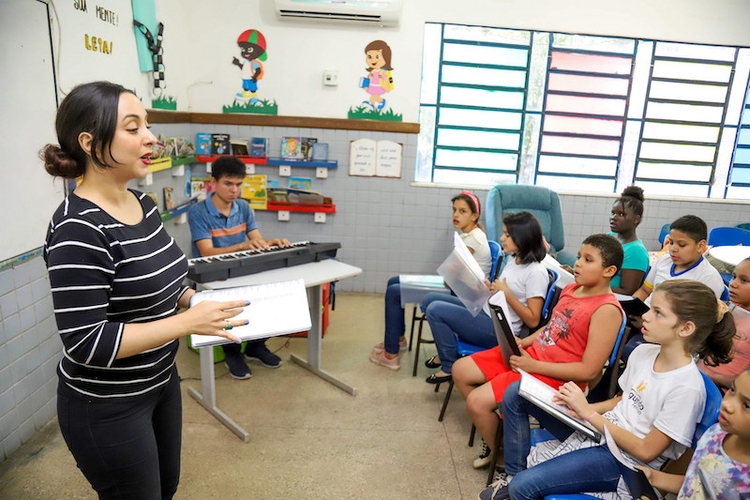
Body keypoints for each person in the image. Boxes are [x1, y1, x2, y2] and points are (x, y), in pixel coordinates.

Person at [42, 81, 249, 499]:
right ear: (89, 142)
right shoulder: (77, 229)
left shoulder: (144, 204)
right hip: (105, 405)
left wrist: (198, 302)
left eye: (147, 125)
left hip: (159, 384)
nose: (150, 137)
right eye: (133, 128)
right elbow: (87, 343)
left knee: (165, 487)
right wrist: (187, 322)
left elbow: (171, 284)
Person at [480, 279, 735, 500]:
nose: (645, 316)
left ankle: (517, 485)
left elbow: (647, 451)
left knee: (526, 487)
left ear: (685, 328)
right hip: (601, 428)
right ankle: (512, 475)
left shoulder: (687, 388)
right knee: (517, 392)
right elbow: (622, 401)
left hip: (624, 460)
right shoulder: (644, 352)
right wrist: (580, 408)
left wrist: (589, 415)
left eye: (658, 312)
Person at [453, 233, 625, 469]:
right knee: (461, 370)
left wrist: (532, 366)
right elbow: (550, 328)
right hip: (532, 357)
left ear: (609, 271)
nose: (577, 263)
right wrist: (524, 342)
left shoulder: (607, 310)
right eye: (578, 257)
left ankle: (504, 455)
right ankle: (501, 434)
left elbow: (588, 371)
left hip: (556, 378)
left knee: (476, 402)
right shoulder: (573, 289)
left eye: (588, 259)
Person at [188, 155, 291, 380]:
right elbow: (206, 252)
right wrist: (243, 245)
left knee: (270, 296)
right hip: (210, 277)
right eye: (228, 184)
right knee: (228, 306)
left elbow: (256, 238)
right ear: (213, 182)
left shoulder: (243, 207)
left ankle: (255, 345)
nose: (234, 190)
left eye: (238, 184)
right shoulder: (198, 212)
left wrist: (269, 243)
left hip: (239, 271)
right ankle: (232, 353)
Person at [421, 211, 549, 387]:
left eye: (508, 235)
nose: (502, 238)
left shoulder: (536, 272)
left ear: (523, 238)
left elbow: (533, 319)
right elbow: (503, 292)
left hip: (500, 330)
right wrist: (491, 288)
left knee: (436, 310)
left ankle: (449, 364)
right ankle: (448, 350)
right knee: (430, 299)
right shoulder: (515, 259)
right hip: (487, 311)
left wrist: (506, 294)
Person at [369, 191, 491, 370]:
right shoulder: (470, 234)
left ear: (475, 215)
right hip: (455, 286)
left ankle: (390, 353)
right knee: (393, 282)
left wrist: (441, 276)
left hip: (461, 293)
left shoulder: (473, 238)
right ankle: (397, 338)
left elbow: (450, 276)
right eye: (454, 210)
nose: (456, 215)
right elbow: (450, 273)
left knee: (395, 292)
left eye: (462, 211)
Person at [637, 368, 750, 499]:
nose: (727, 405)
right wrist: (653, 477)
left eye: (747, 405)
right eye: (732, 390)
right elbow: (696, 486)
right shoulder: (716, 433)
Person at [623, 214, 726, 358]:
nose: (673, 249)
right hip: (643, 319)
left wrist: (651, 323)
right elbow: (645, 290)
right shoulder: (664, 261)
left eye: (682, 245)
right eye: (671, 243)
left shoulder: (708, 278)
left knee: (629, 352)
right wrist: (627, 309)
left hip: (670, 334)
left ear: (701, 246)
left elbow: (698, 322)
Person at [699, 257, 750, 389]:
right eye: (734, 277)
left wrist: (706, 376)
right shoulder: (727, 311)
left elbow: (742, 384)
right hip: (697, 376)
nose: (733, 284)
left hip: (721, 392)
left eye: (744, 280)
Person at [607, 186, 649, 295]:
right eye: (613, 213)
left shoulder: (636, 251)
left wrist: (594, 287)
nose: (613, 217)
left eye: (621, 214)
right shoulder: (610, 236)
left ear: (636, 219)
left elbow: (628, 291)